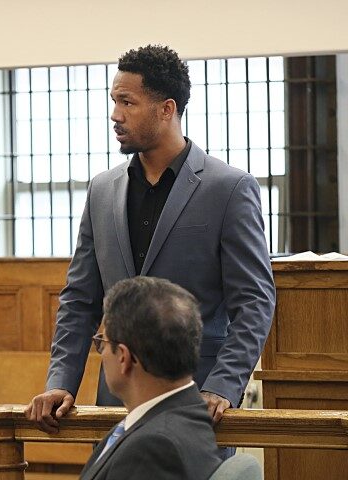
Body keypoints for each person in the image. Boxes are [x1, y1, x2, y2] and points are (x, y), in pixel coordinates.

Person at [26, 45, 276, 441]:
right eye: (114, 101)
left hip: (198, 400)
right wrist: (61, 381)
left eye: (127, 102)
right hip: (116, 399)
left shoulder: (229, 189)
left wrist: (223, 386)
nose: (115, 114)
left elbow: (255, 300)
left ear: (167, 109)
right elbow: (80, 299)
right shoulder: (102, 190)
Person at [79, 277, 223, 479]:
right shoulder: (187, 416)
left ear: (124, 357)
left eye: (102, 342)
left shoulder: (151, 448)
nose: (101, 352)